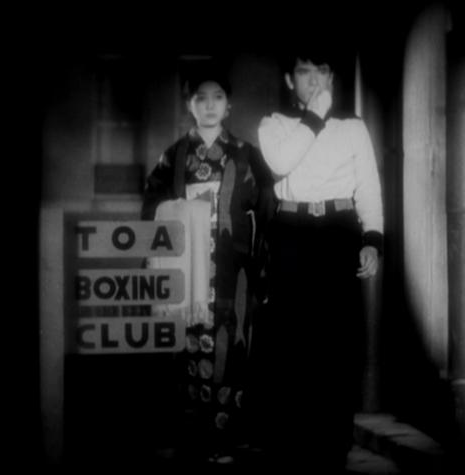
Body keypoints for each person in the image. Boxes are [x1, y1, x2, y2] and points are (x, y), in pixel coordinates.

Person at [247, 50, 384, 472]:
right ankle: (294, 443)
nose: (314, 80)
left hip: (339, 231)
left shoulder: (353, 126)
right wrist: (314, 117)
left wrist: (372, 239)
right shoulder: (274, 124)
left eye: (321, 71)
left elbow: (369, 185)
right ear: (290, 80)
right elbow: (282, 163)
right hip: (293, 232)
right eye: (304, 72)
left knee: (338, 338)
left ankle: (334, 442)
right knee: (294, 339)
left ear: (332, 76)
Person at [141, 61, 274, 465]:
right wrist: (180, 210)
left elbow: (267, 211)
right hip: (188, 269)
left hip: (233, 270)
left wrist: (261, 266)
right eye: (201, 98)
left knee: (231, 348)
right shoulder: (174, 156)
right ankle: (193, 441)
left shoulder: (248, 155)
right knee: (187, 347)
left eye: (218, 97)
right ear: (190, 105)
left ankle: (226, 440)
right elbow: (151, 205)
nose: (210, 105)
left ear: (229, 105)